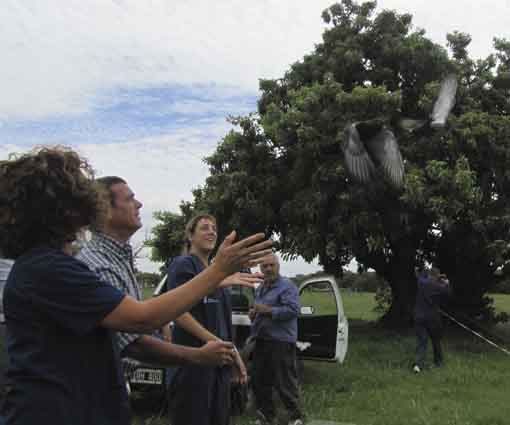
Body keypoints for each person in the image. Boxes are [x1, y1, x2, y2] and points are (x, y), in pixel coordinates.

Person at [0, 147, 272, 425]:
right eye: (78, 194)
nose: (87, 200)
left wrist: (199, 354)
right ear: (61, 207)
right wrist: (218, 270)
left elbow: (129, 341)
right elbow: (142, 320)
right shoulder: (49, 269)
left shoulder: (47, 266)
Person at [77, 177, 262, 370]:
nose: (139, 204)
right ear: (105, 210)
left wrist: (217, 278)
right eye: (130, 199)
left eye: (214, 228)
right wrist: (217, 273)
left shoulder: (118, 257)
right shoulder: (101, 265)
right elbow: (137, 332)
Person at [166, 214, 251, 425]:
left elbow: (222, 323)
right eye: (204, 228)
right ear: (190, 236)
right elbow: (177, 312)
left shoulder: (217, 275)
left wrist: (231, 354)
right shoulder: (184, 264)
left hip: (218, 365)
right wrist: (216, 344)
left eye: (214, 228)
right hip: (194, 364)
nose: (212, 231)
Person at [249, 253, 303, 425]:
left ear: (278, 266)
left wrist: (267, 310)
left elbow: (293, 310)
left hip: (281, 341)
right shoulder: (260, 288)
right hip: (261, 339)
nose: (268, 269)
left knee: (284, 381)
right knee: (259, 379)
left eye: (271, 265)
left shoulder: (287, 286)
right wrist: (254, 314)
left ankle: (295, 417)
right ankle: (266, 416)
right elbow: (259, 311)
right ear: (260, 268)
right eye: (264, 266)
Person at [413, 266, 451, 373]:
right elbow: (447, 293)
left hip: (418, 316)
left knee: (422, 342)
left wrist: (424, 271)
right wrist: (446, 283)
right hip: (432, 318)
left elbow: (419, 275)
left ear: (429, 274)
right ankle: (438, 363)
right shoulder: (438, 286)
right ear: (437, 276)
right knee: (436, 340)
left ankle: (418, 364)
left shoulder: (421, 282)